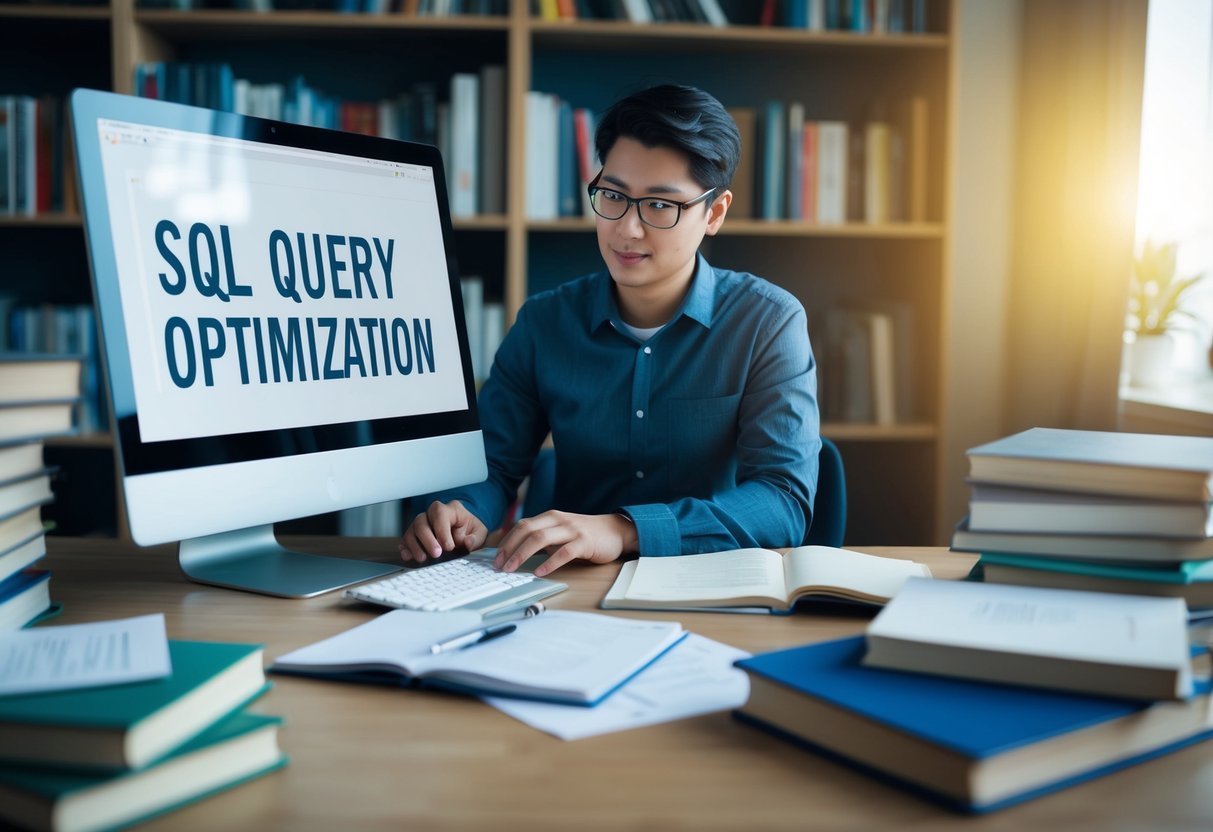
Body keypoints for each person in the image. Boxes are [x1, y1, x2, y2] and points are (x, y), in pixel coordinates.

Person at [399, 83, 820, 577]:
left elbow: (782, 499)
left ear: (715, 213)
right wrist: (462, 511)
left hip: (712, 582)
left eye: (661, 206)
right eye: (614, 195)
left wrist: (623, 530)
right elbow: (491, 464)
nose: (627, 229)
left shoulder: (767, 322)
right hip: (567, 585)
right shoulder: (545, 322)